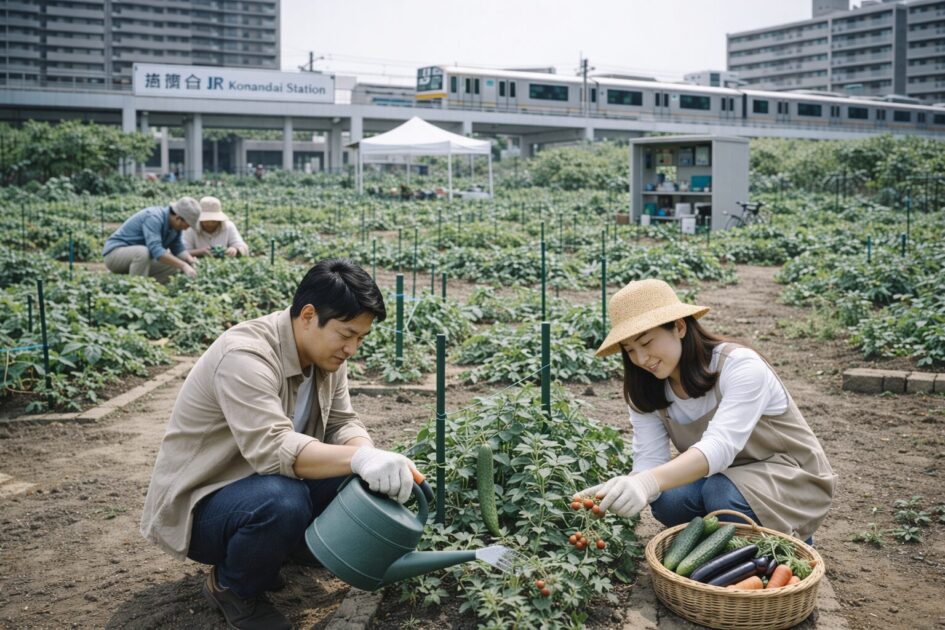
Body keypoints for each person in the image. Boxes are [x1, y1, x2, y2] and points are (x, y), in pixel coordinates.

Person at [140, 258, 420, 630]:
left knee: (350, 478)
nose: (352, 348)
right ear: (308, 315)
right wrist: (359, 458)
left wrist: (368, 457)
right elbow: (273, 449)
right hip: (204, 505)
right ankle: (232, 587)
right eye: (346, 334)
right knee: (283, 500)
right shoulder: (245, 356)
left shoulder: (327, 353)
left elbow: (342, 421)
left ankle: (275, 553)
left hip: (265, 484)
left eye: (360, 338)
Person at [576, 279, 836, 544]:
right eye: (630, 350)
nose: (641, 359)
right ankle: (721, 542)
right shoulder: (647, 390)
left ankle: (785, 535)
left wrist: (647, 483)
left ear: (678, 327)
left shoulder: (740, 366)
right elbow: (650, 462)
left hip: (790, 476)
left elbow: (719, 446)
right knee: (668, 500)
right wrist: (625, 488)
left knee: (720, 493)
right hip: (726, 476)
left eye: (646, 342)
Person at [102, 197, 200, 284]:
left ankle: (148, 286)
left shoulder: (175, 228)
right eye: (187, 225)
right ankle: (137, 289)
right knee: (142, 252)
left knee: (175, 265)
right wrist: (183, 266)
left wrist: (190, 261)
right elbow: (155, 249)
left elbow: (178, 248)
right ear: (178, 218)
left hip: (141, 260)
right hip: (115, 255)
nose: (186, 228)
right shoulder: (154, 217)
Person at [183, 196, 250, 258]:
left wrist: (235, 249)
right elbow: (181, 252)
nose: (210, 224)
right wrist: (200, 252)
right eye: (206, 221)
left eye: (213, 221)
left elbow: (243, 246)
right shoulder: (190, 229)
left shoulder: (228, 227)